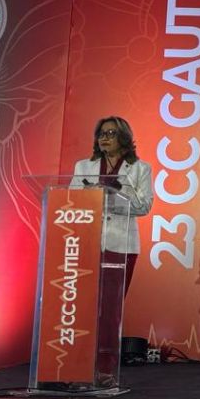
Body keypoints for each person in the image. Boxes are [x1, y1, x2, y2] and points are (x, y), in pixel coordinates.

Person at [72, 116, 154, 293]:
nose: (104, 137)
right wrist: (87, 197)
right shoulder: (83, 167)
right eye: (101, 134)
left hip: (122, 246)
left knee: (111, 302)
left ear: (123, 137)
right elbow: (71, 202)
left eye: (111, 133)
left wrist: (112, 197)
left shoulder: (141, 169)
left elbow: (144, 206)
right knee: (84, 300)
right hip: (86, 244)